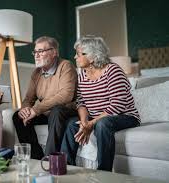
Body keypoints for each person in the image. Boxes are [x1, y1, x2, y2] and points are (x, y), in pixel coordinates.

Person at [61, 36, 140, 171]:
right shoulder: (82, 76)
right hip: (96, 117)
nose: (75, 57)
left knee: (102, 124)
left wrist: (92, 123)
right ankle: (65, 168)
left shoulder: (113, 71)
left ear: (92, 57)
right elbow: (81, 102)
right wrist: (85, 122)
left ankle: (104, 172)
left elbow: (117, 106)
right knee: (72, 124)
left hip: (125, 116)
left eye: (79, 54)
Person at [13, 36, 78, 159]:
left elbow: (66, 96)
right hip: (47, 112)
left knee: (56, 110)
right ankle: (36, 158)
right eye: (35, 52)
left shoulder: (66, 66)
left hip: (66, 111)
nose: (36, 55)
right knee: (18, 117)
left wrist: (36, 110)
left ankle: (50, 159)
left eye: (41, 51)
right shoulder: (37, 72)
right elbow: (28, 98)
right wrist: (25, 109)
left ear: (54, 52)